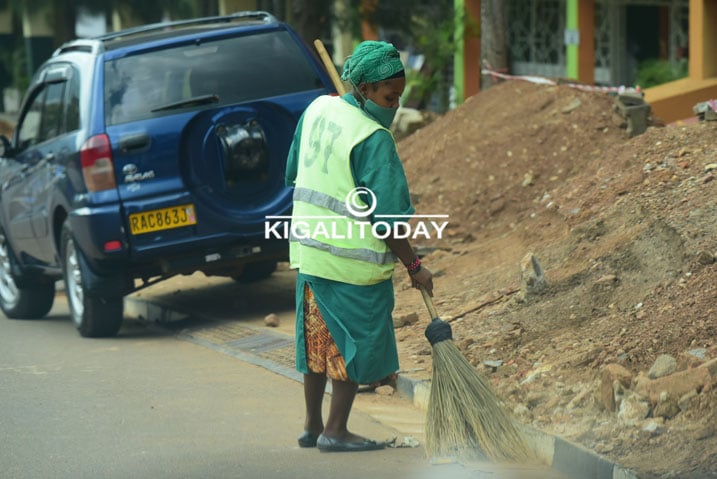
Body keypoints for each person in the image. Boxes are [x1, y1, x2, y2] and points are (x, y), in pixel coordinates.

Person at [285, 40, 434, 453]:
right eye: (390, 96)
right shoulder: (373, 138)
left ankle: (312, 426)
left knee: (317, 341)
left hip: (310, 252)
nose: (396, 105)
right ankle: (335, 431)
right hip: (352, 265)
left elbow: (292, 169)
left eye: (400, 96)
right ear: (365, 90)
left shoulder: (318, 109)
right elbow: (388, 220)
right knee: (351, 344)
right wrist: (414, 265)